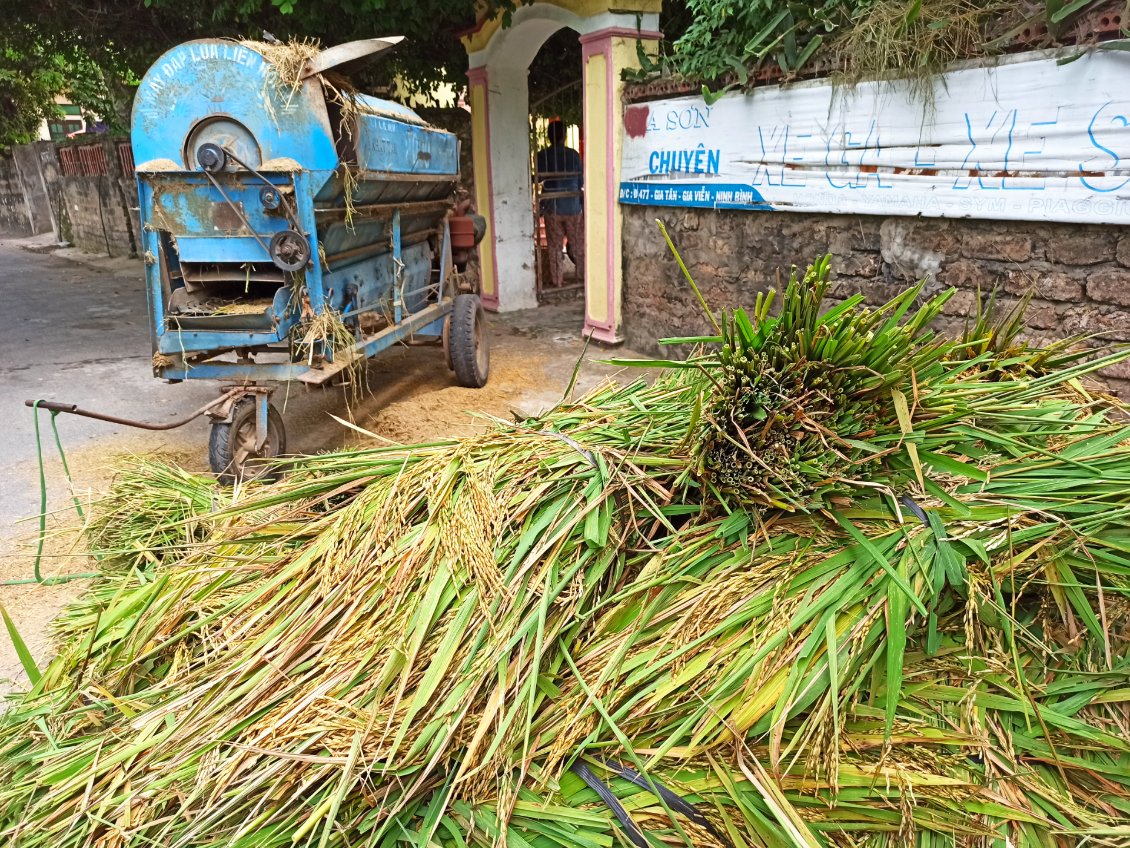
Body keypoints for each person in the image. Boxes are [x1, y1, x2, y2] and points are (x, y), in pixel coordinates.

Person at [536, 120, 584, 287]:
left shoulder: (542, 155)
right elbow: (580, 181)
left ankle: (557, 281)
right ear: (564, 136)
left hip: (552, 206)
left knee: (555, 247)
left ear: (549, 137)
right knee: (578, 244)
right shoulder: (573, 155)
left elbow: (539, 178)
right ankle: (582, 278)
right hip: (572, 205)